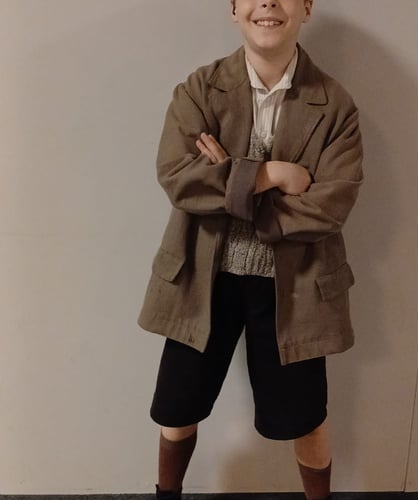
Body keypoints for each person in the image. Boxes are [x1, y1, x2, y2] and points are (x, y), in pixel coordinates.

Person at [137, 1, 363, 499]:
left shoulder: (335, 104)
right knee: (177, 407)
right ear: (234, 8)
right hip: (203, 277)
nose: (268, 3)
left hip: (296, 286)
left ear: (306, 8)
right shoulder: (199, 89)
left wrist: (230, 177)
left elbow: (330, 205)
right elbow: (178, 177)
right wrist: (271, 174)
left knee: (305, 415)